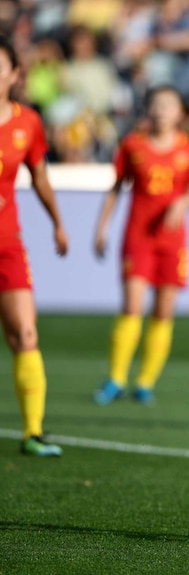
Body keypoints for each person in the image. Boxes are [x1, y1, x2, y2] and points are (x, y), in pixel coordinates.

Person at [92, 85, 189, 406]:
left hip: (173, 241)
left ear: (180, 113)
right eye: (156, 105)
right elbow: (115, 188)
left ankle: (145, 382)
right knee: (131, 306)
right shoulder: (132, 145)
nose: (161, 111)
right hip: (138, 237)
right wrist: (101, 227)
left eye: (168, 105)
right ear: (148, 110)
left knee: (164, 310)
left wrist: (181, 203)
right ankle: (115, 378)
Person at [0, 36, 69, 456]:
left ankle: (33, 432)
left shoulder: (28, 123)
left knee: (25, 333)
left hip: (8, 245)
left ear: (14, 74)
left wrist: (58, 223)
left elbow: (40, 177)